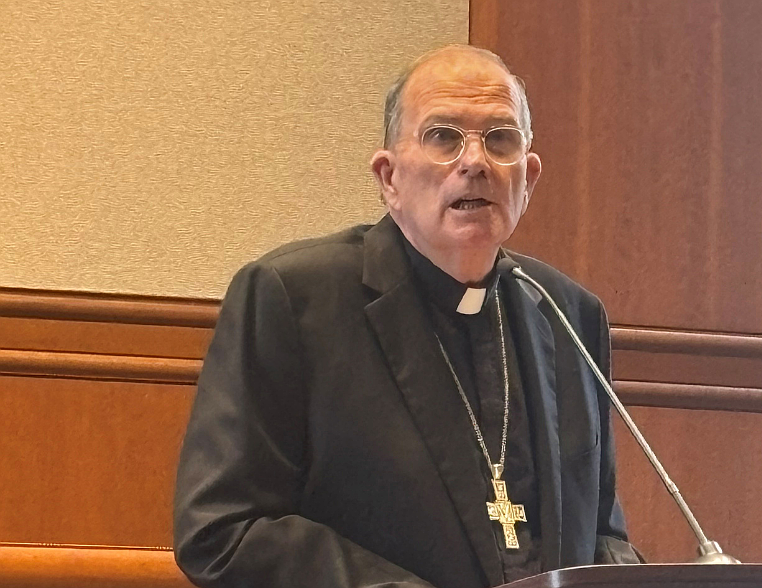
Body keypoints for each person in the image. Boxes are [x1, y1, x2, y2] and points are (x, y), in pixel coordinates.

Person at [173, 44, 641, 588]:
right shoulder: (294, 298)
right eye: (443, 136)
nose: (474, 162)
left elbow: (603, 535)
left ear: (528, 178)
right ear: (388, 176)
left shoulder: (571, 316)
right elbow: (222, 529)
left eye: (500, 139)